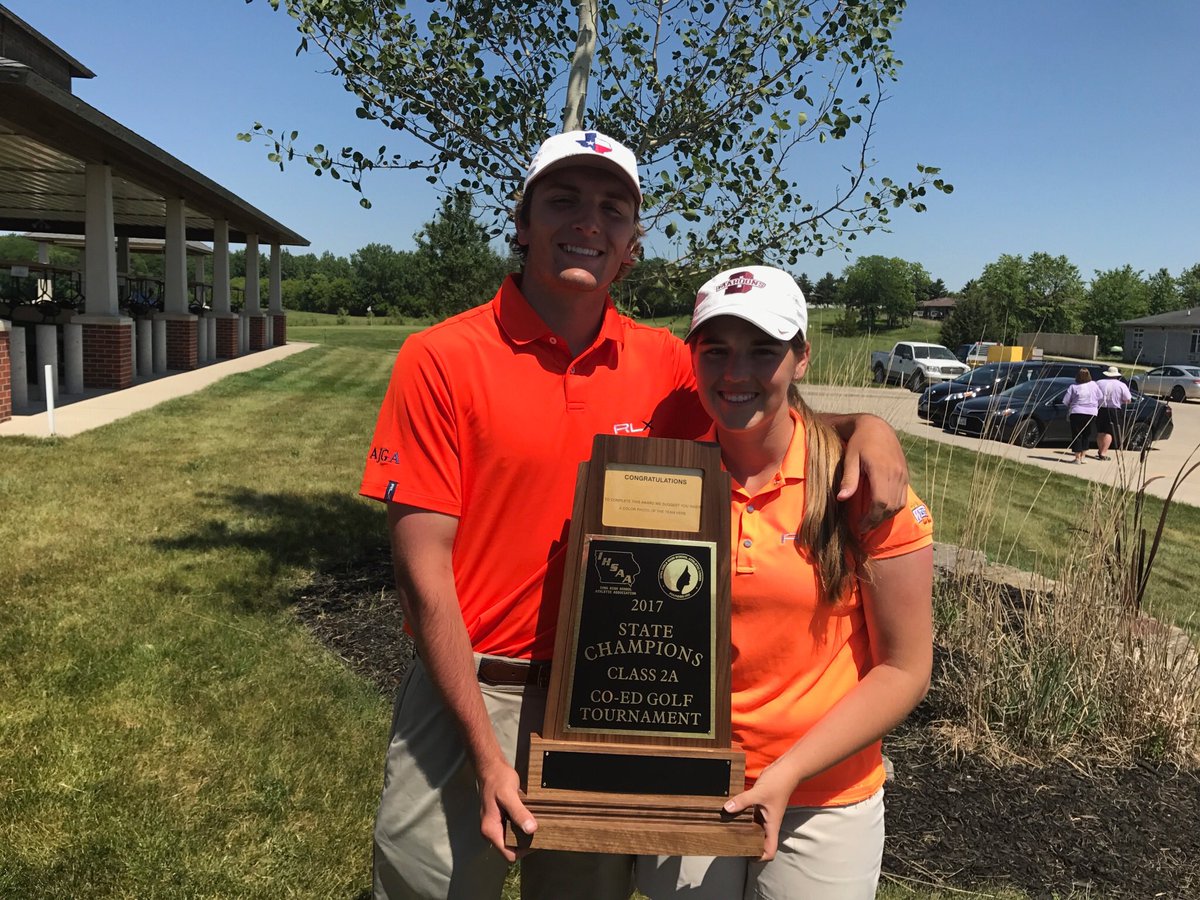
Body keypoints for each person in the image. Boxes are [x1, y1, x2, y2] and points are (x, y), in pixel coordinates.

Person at [359, 131, 913, 900]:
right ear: (521, 221)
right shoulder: (442, 357)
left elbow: (766, 409)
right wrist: (487, 753)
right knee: (432, 889)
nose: (589, 220)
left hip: (613, 695)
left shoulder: (665, 367)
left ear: (631, 243)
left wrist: (867, 429)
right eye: (563, 200)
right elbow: (422, 575)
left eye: (612, 208)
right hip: (475, 687)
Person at [635, 266, 934, 900]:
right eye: (715, 350)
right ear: (693, 358)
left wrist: (789, 772)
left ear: (801, 357)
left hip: (825, 797)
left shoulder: (864, 491)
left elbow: (904, 670)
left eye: (763, 350)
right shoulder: (664, 480)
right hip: (690, 779)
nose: (735, 372)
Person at [1062, 368, 1103, 465]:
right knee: (1086, 434)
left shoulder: (1073, 387)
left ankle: (1077, 458)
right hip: (1091, 413)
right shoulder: (1094, 385)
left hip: (1077, 412)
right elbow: (1100, 397)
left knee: (1077, 435)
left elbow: (1065, 401)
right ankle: (1083, 456)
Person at [1094, 365, 1132, 460]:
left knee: (1100, 431)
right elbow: (1128, 399)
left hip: (1100, 408)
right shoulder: (1121, 385)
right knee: (1109, 432)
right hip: (1114, 409)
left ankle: (1100, 450)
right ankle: (1103, 452)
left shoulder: (1099, 383)